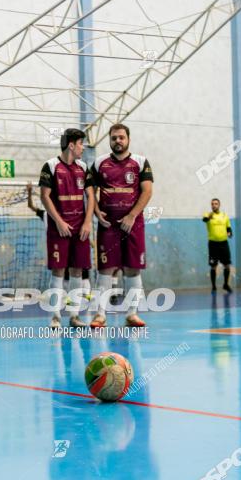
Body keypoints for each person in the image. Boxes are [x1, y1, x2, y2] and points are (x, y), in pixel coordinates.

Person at [89, 123, 154, 328]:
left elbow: (147, 191)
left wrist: (132, 215)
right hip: (108, 225)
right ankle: (100, 315)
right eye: (114, 138)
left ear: (128, 139)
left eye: (121, 137)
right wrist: (96, 211)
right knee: (106, 269)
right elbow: (89, 190)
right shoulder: (99, 163)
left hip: (133, 225)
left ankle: (132, 314)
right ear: (110, 140)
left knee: (132, 269)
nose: (118, 141)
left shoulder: (140, 162)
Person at [38, 130, 95, 329]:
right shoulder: (50, 166)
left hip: (80, 229)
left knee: (77, 271)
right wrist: (60, 222)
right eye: (81, 144)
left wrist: (88, 222)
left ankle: (74, 315)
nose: (83, 147)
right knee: (58, 271)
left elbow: (91, 197)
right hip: (59, 229)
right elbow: (45, 196)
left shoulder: (83, 167)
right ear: (71, 145)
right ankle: (55, 316)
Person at [202, 198, 233, 294]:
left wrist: (230, 233)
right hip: (213, 244)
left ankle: (226, 285)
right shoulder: (208, 215)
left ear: (219, 205)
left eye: (216, 204)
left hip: (224, 243)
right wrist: (209, 217)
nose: (214, 205)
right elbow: (204, 219)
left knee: (227, 265)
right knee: (213, 266)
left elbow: (228, 228)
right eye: (212, 204)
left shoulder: (224, 216)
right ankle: (214, 286)